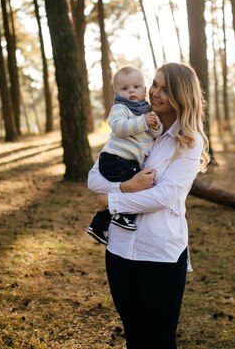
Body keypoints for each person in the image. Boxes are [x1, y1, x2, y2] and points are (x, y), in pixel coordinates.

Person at [88, 63, 210, 349]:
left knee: (158, 340)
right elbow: (94, 178)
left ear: (182, 96)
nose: (155, 92)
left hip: (160, 253)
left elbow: (163, 197)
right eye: (154, 84)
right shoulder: (131, 123)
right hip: (119, 249)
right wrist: (127, 187)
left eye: (165, 89)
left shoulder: (189, 141)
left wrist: (113, 199)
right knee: (134, 335)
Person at [87, 66, 163, 245]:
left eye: (136, 87)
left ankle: (98, 225)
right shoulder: (120, 108)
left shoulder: (146, 111)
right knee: (140, 183)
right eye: (125, 88)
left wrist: (155, 126)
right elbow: (119, 128)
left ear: (144, 90)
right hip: (114, 159)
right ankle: (122, 214)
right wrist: (143, 121)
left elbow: (154, 134)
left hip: (124, 161)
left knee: (137, 183)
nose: (131, 91)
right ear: (117, 93)